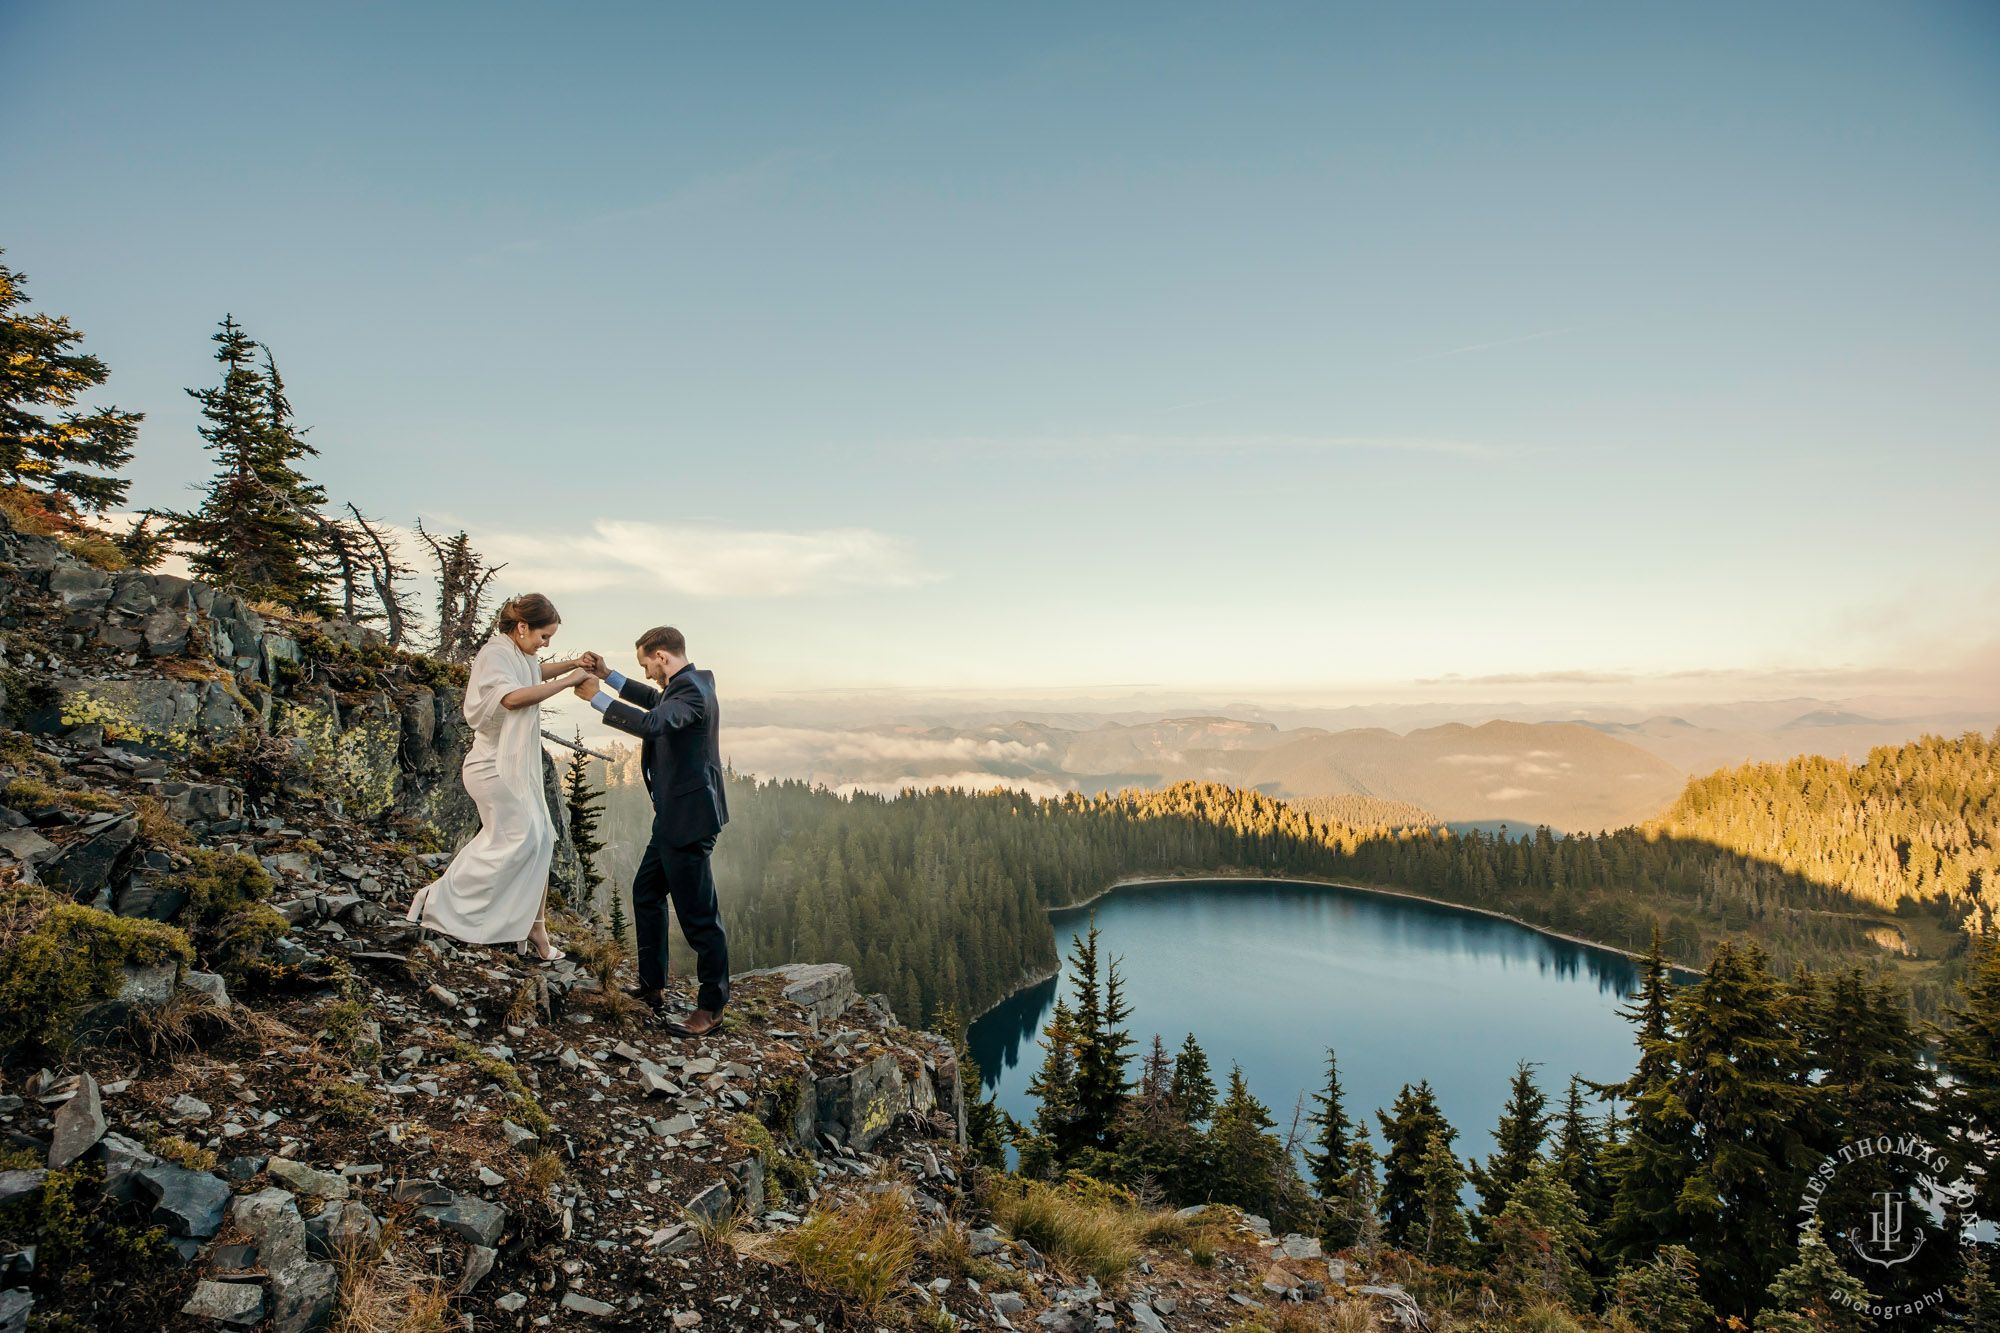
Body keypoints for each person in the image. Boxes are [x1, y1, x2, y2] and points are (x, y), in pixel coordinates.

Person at [406, 594, 594, 962]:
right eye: (544, 636)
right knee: (514, 839)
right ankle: (436, 900)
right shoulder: (494, 654)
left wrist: (575, 663)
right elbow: (510, 698)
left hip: (513, 767)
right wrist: (571, 679)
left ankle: (534, 925)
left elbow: (533, 672)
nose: (546, 645)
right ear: (523, 627)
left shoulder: (516, 653)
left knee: (541, 839)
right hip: (492, 767)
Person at [574, 626, 729, 1036]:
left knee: (700, 919)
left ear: (662, 656)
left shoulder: (691, 692)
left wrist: (597, 698)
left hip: (689, 822)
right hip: (675, 819)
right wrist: (609, 675)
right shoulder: (685, 683)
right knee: (646, 892)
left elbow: (653, 723)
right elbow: (652, 700)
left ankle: (711, 1008)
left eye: (646, 664)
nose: (646, 674)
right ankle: (652, 985)